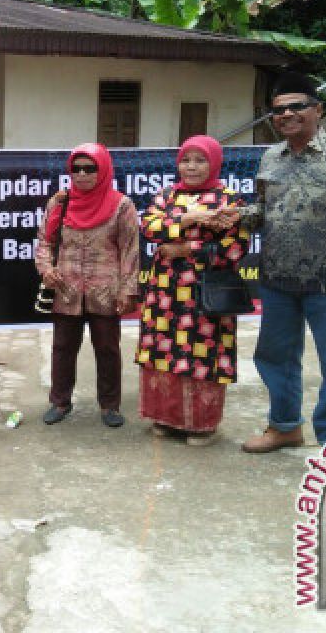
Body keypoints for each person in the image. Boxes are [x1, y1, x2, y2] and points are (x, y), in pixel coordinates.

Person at [221, 72, 326, 453]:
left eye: (297, 106)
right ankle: (284, 426)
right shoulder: (270, 157)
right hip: (279, 281)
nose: (287, 114)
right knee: (274, 357)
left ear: (318, 110)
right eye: (279, 110)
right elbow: (266, 210)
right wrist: (233, 216)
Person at [135, 135, 249, 445]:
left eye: (200, 160)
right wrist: (191, 218)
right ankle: (167, 419)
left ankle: (203, 425)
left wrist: (186, 247)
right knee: (164, 351)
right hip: (165, 292)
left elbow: (234, 247)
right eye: (186, 160)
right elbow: (148, 227)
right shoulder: (167, 195)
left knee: (204, 352)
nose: (192, 167)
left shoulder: (230, 200)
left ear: (214, 163)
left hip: (205, 291)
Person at [35, 143, 140, 428]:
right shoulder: (60, 202)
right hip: (66, 288)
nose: (81, 174)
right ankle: (59, 401)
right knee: (62, 347)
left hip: (105, 291)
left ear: (103, 169)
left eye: (89, 168)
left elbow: (130, 249)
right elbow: (45, 240)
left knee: (107, 348)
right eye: (76, 168)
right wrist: (46, 269)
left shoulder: (121, 205)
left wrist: (128, 290)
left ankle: (110, 406)